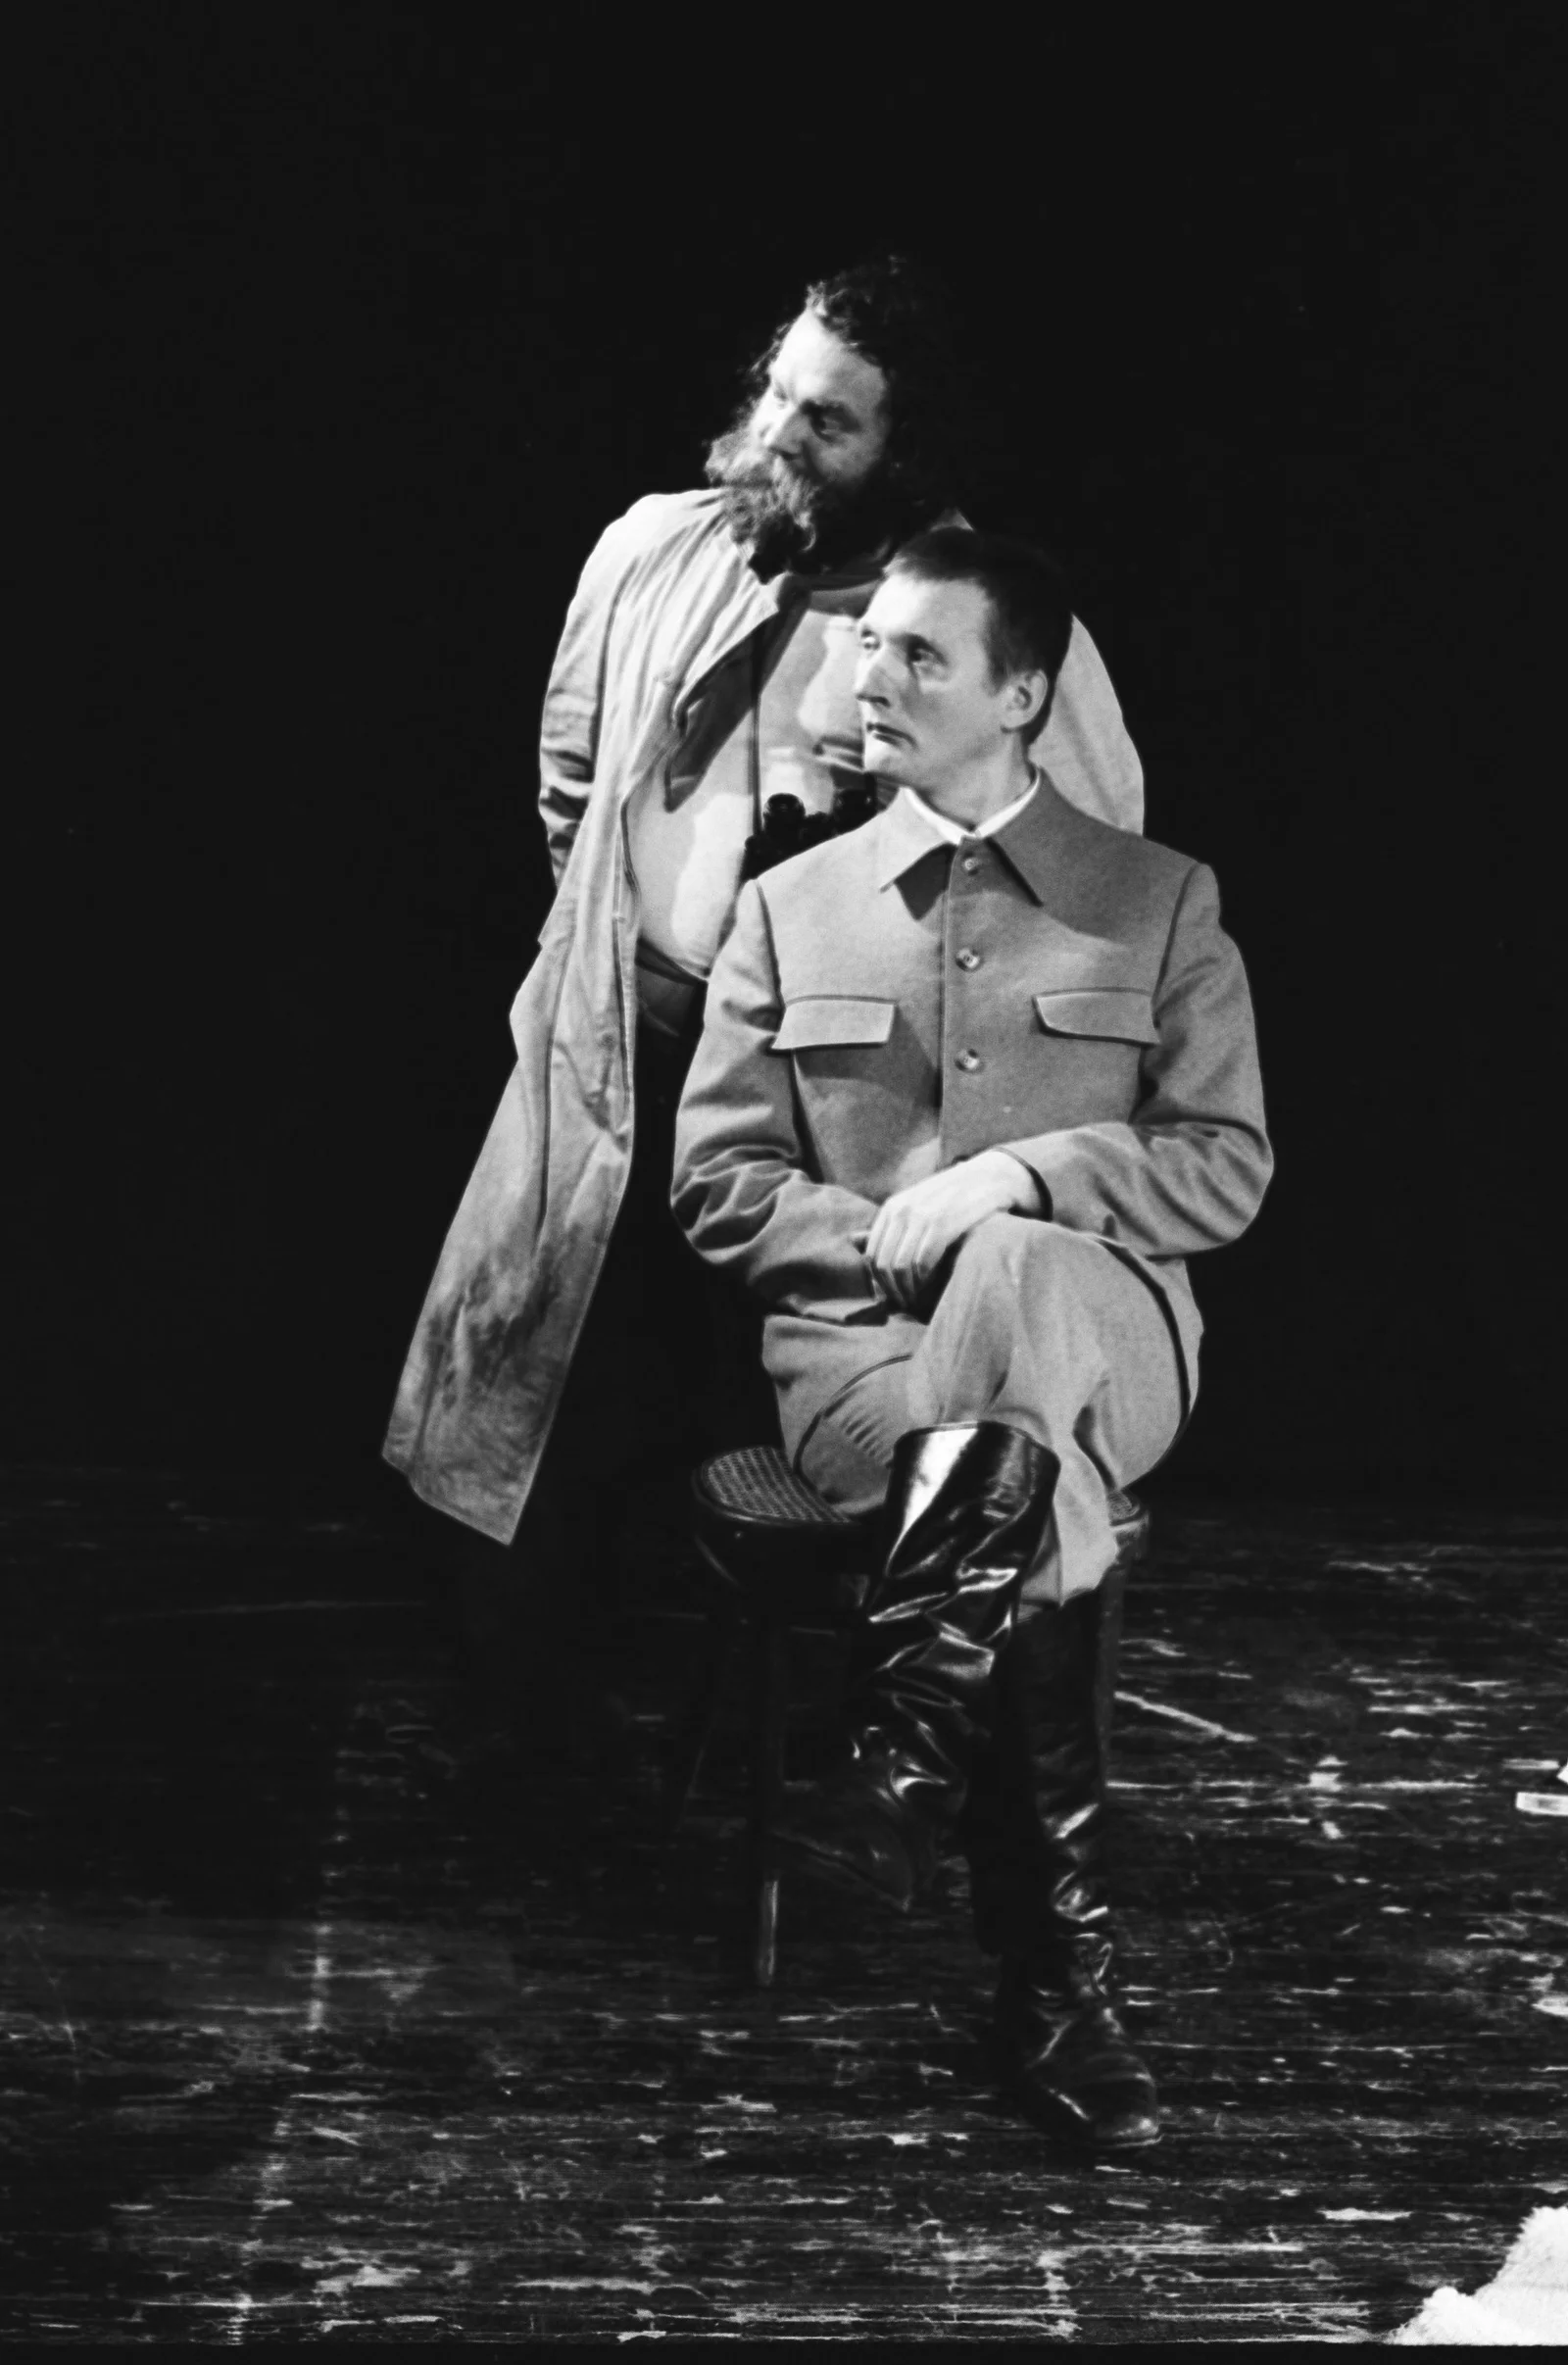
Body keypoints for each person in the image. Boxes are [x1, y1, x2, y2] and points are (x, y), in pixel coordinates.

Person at [383, 259, 1147, 1598]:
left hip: (849, 1102)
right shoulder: (651, 550)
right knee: (571, 1407)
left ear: (906, 452)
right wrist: (629, 960)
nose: (780, 433)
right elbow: (573, 782)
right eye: (779, 394)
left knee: (810, 1414)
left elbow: (1087, 872)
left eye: (829, 420)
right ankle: (546, 1674)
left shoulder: (992, 616)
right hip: (635, 1056)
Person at [670, 527, 1272, 2148]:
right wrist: (895, 1236)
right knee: (1027, 1486)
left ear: (1021, 695)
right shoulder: (789, 908)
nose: (871, 677)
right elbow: (717, 1187)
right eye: (868, 645)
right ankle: (1058, 1987)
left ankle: (903, 1742)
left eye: (919, 655)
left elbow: (1224, 1168)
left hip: (1112, 1338)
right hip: (862, 1370)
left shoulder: (1157, 899)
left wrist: (1024, 1179)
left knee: (1015, 1267)